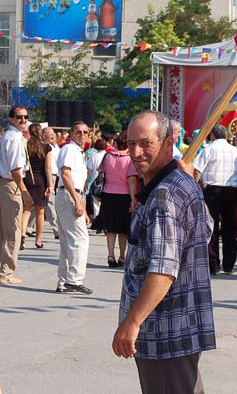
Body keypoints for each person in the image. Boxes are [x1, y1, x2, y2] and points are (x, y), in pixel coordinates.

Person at [112, 111, 215, 394]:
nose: (136, 152)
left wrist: (131, 322)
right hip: (180, 326)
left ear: (168, 143)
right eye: (130, 143)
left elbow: (163, 268)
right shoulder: (182, 182)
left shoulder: (165, 193)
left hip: (165, 329)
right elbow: (206, 227)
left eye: (146, 143)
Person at [193, 124, 237, 275]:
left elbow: (197, 170)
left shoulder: (209, 149)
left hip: (213, 190)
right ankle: (229, 264)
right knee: (230, 227)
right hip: (231, 190)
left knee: (211, 226)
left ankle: (213, 264)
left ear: (212, 135)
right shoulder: (235, 151)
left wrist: (197, 186)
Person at [55, 121, 92, 295]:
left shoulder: (77, 151)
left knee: (67, 241)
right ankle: (74, 280)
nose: (82, 134)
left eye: (85, 132)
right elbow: (66, 174)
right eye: (78, 132)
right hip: (69, 194)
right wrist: (77, 201)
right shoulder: (69, 149)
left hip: (71, 194)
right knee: (80, 239)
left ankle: (64, 280)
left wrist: (81, 204)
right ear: (71, 134)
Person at [91, 133, 138, 267]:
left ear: (117, 143)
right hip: (124, 195)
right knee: (123, 229)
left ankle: (110, 255)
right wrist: (133, 198)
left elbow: (101, 171)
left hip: (108, 194)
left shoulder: (107, 156)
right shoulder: (130, 159)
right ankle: (122, 256)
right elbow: (132, 180)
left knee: (111, 228)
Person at [0, 106, 32, 285]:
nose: (23, 120)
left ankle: (3, 268)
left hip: (6, 183)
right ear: (11, 119)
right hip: (11, 184)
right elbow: (15, 170)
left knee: (5, 230)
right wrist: (24, 191)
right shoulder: (13, 138)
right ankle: (6, 271)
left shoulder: (11, 136)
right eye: (19, 117)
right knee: (13, 229)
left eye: (26, 117)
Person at [21, 123, 52, 249]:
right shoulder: (46, 147)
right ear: (41, 133)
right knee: (40, 211)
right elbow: (48, 167)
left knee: (26, 209)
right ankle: (38, 240)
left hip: (27, 178)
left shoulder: (25, 145)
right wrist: (50, 184)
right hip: (41, 180)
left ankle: (22, 233)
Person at [42, 126, 60, 239]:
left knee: (38, 204)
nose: (53, 135)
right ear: (44, 136)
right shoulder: (44, 147)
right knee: (50, 202)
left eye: (53, 133)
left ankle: (27, 227)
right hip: (48, 175)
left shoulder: (56, 147)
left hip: (57, 176)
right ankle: (57, 229)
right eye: (51, 133)